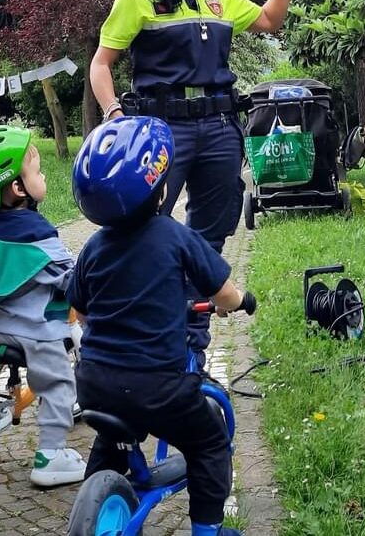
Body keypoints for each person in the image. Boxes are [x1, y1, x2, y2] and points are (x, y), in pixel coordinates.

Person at [89, 0, 308, 364]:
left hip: (219, 129)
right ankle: (117, 341)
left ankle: (190, 348)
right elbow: (101, 65)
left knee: (209, 237)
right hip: (162, 131)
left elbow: (270, 20)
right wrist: (114, 116)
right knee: (139, 231)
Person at [67, 116, 257, 536]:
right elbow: (224, 293)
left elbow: (79, 313)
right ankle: (208, 530)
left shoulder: (92, 250)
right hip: (159, 388)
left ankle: (97, 508)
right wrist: (242, 302)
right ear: (163, 188)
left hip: (95, 386)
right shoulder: (175, 236)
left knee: (113, 436)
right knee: (209, 443)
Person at [0, 125, 86, 488]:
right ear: (17, 188)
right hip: (36, 334)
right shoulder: (37, 235)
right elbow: (72, 281)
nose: (42, 176)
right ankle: (51, 456)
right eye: (37, 173)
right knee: (58, 383)